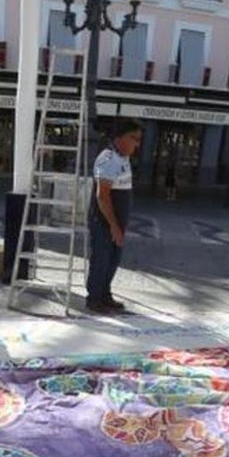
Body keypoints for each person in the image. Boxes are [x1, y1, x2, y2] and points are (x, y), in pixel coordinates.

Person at [86, 118, 143, 314]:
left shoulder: (123, 158)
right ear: (119, 138)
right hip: (103, 221)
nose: (137, 143)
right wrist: (114, 226)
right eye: (133, 138)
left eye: (138, 139)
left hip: (117, 222)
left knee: (112, 260)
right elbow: (102, 196)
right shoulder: (108, 159)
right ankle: (94, 298)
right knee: (101, 259)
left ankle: (104, 294)